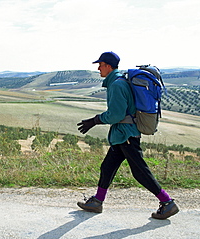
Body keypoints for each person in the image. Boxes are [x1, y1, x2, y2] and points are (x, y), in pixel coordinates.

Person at [76, 51, 179, 219]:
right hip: (121, 136)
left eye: (100, 65)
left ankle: (168, 203)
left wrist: (94, 121)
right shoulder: (118, 81)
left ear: (108, 66)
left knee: (140, 172)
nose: (99, 69)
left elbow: (116, 115)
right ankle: (97, 201)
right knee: (107, 167)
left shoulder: (117, 85)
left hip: (126, 136)